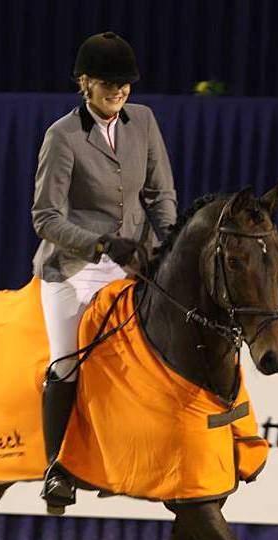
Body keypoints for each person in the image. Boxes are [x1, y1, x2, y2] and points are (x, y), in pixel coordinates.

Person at [31, 31, 178, 510]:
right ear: (85, 83)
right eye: (109, 83)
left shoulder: (144, 122)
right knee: (67, 360)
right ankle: (57, 469)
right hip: (75, 266)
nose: (118, 91)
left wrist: (171, 244)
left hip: (134, 262)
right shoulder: (63, 135)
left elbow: (160, 194)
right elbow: (45, 217)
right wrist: (99, 242)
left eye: (125, 84)